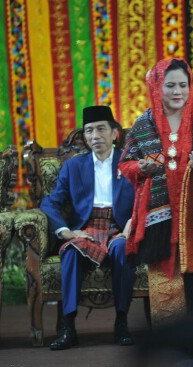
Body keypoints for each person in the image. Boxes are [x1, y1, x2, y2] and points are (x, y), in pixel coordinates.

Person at [119, 58, 193, 324]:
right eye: (170, 86)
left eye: (183, 85)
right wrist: (140, 167)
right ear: (156, 87)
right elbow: (125, 163)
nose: (177, 92)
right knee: (165, 280)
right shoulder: (143, 125)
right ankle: (170, 345)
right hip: (160, 216)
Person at [40, 106, 136, 350]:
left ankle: (122, 323)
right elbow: (50, 203)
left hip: (119, 227)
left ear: (114, 133)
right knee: (71, 251)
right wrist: (65, 231)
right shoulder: (74, 166)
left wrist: (131, 224)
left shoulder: (129, 163)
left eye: (101, 129)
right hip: (87, 228)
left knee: (123, 249)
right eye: (89, 131)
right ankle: (67, 326)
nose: (95, 136)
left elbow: (145, 198)